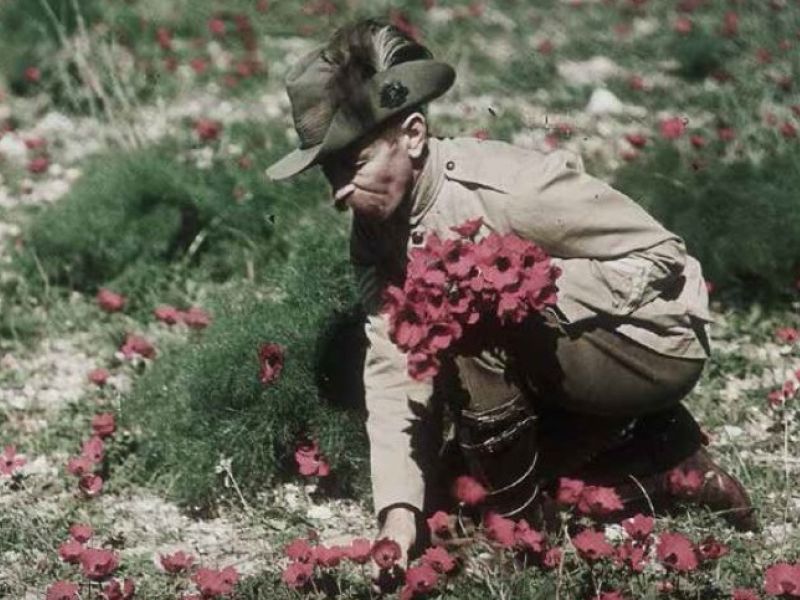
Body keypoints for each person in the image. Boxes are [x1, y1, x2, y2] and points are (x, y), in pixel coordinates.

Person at [266, 18, 757, 565]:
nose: (339, 195)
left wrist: (527, 287)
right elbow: (394, 360)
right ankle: (667, 459)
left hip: (652, 345)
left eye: (353, 166)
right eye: (327, 175)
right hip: (561, 355)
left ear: (412, 135)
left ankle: (528, 537)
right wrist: (397, 516)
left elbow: (662, 254)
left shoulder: (514, 190)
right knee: (447, 500)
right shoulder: (374, 235)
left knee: (474, 324)